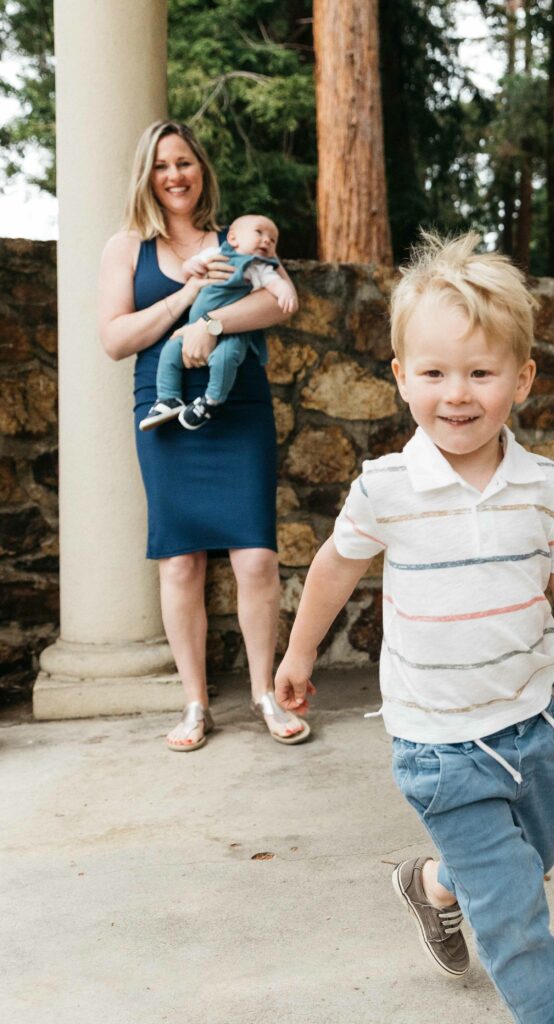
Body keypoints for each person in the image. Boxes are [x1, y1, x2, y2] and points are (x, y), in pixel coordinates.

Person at [274, 233, 554, 1022]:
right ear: (399, 377)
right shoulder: (387, 487)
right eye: (432, 373)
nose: (454, 394)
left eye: (479, 373)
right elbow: (332, 568)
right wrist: (296, 653)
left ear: (521, 380)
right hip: (438, 745)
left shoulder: (542, 483)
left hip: (533, 724)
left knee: (532, 857)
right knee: (514, 910)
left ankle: (430, 884)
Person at [98, 119, 310, 750]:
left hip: (236, 405)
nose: (175, 176)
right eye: (162, 165)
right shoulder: (126, 248)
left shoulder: (237, 237)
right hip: (161, 406)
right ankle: (195, 705)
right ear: (148, 175)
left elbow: (280, 298)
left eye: (184, 163)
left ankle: (265, 696)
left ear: (201, 169)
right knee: (181, 561)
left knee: (256, 555)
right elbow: (115, 339)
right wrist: (184, 298)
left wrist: (211, 323)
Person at [140, 213, 297, 431]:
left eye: (272, 239)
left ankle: (211, 400)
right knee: (170, 352)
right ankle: (168, 398)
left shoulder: (259, 268)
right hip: (192, 328)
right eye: (259, 232)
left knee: (226, 358)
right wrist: (190, 269)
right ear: (233, 239)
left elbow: (277, 288)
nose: (267, 240)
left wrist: (286, 292)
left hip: (234, 331)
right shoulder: (215, 254)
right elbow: (191, 266)